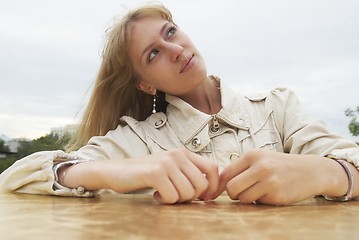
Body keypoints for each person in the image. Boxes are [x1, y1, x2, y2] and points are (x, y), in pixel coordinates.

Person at [0, 3, 358, 205]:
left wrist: (324, 173)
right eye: (153, 53)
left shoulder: (278, 107)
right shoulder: (139, 139)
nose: (175, 50)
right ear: (145, 83)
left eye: (170, 32)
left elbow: (349, 163)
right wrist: (113, 171)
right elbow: (16, 176)